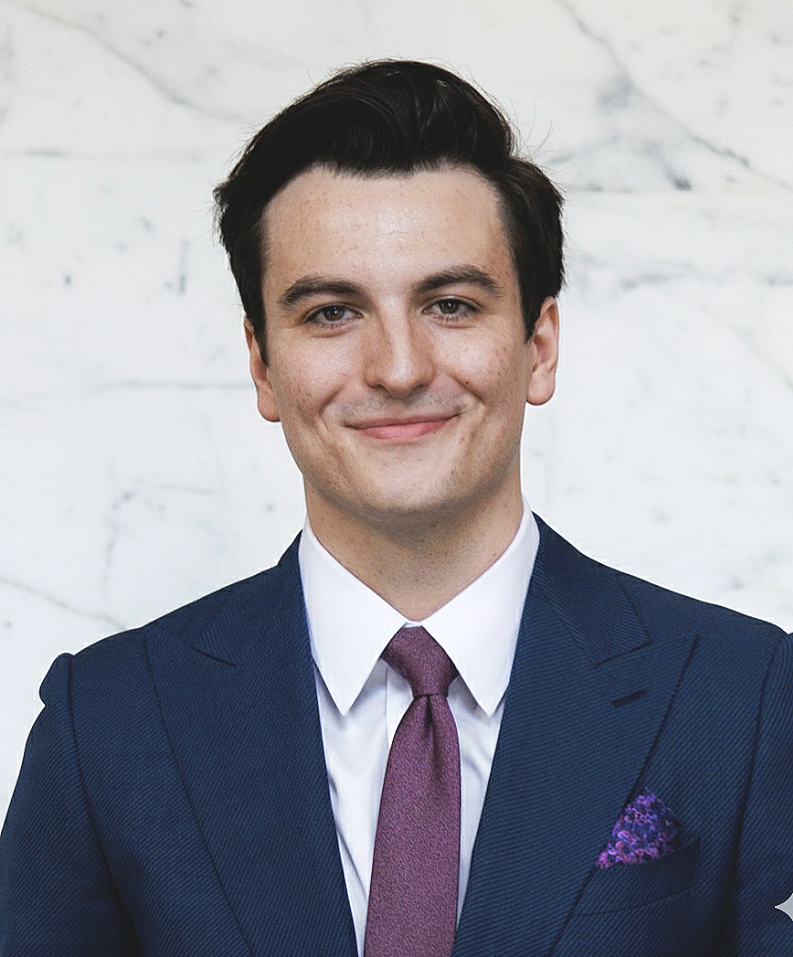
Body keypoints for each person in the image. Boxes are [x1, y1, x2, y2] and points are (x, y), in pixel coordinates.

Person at [1, 59, 791, 957]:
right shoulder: (107, 724)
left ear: (537, 345)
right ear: (262, 365)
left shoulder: (750, 698)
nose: (399, 367)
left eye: (450, 304)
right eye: (332, 312)